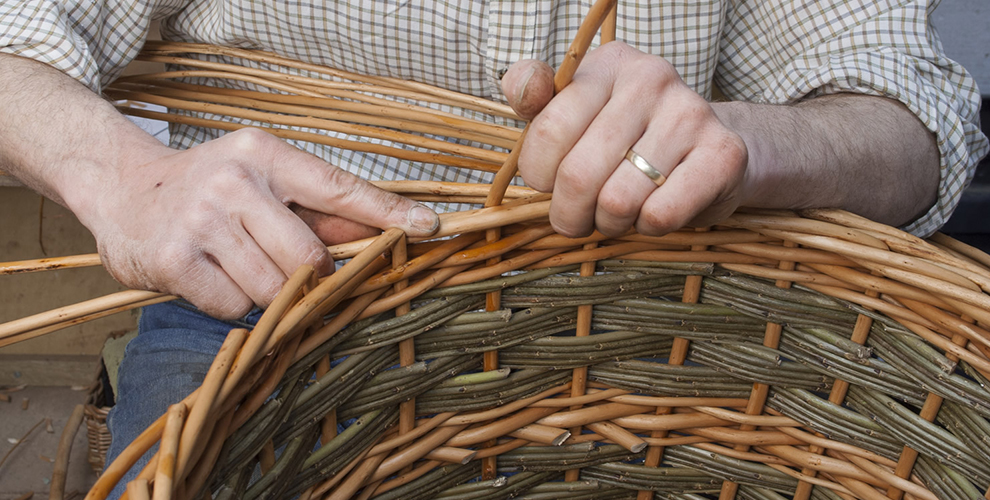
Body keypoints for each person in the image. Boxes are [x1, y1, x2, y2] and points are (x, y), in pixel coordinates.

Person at [1, 0, 987, 495]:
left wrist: (750, 144)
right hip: (277, 290)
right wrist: (120, 173)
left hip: (666, 297)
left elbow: (906, 117)